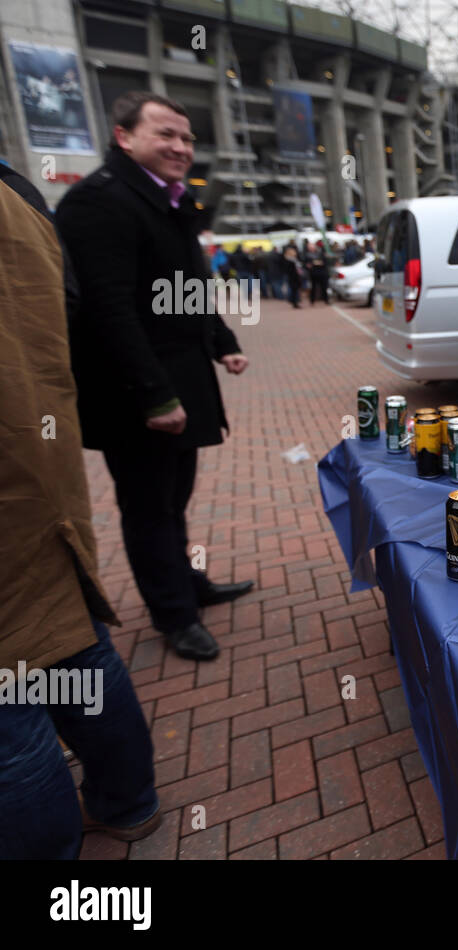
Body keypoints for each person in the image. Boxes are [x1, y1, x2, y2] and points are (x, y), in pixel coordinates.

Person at [55, 90, 255, 662]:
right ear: (124, 137)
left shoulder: (164, 201)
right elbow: (106, 310)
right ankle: (173, 616)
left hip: (180, 381)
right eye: (166, 134)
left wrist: (223, 341)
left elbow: (187, 288)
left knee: (174, 500)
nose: (180, 147)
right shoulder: (98, 202)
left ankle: (188, 587)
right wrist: (153, 396)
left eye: (187, 138)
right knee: (147, 506)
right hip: (137, 396)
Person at [0, 163, 161, 857]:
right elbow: (70, 303)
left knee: (8, 700)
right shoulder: (18, 188)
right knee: (65, 633)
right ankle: (128, 802)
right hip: (35, 454)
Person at [307, 240, 330, 305]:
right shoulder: (307, 254)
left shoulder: (320, 253)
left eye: (312, 247)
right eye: (309, 247)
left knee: (324, 287)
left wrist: (319, 263)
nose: (311, 248)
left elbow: (325, 262)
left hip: (321, 272)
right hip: (313, 273)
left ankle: (326, 300)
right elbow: (305, 263)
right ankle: (312, 301)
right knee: (313, 288)